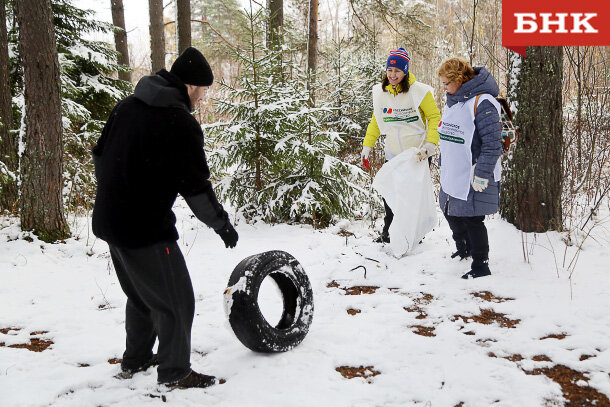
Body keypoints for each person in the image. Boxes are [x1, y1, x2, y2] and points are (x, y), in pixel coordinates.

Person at [92, 47, 238, 388]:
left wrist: (119, 193)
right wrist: (222, 225)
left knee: (142, 296)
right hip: (145, 229)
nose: (202, 99)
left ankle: (136, 359)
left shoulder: (126, 107)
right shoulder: (179, 123)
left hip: (110, 221)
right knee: (177, 301)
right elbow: (197, 189)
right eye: (202, 91)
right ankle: (174, 373)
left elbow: (99, 156)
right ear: (190, 86)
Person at [361, 48, 441, 243]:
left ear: (405, 72)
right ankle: (388, 232)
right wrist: (367, 147)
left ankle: (413, 235)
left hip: (417, 154)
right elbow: (376, 121)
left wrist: (431, 145)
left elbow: (434, 117)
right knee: (390, 194)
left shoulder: (420, 92)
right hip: (393, 153)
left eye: (397, 71)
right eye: (389, 70)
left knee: (411, 197)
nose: (392, 75)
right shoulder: (382, 93)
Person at [437, 57, 502, 279]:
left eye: (447, 83)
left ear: (460, 80)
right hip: (453, 170)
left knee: (473, 218)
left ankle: (480, 264)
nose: (444, 88)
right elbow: (448, 135)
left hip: (474, 171)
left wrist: (482, 174)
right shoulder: (454, 101)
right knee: (450, 211)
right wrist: (442, 161)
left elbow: (493, 143)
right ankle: (463, 247)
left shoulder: (483, 103)